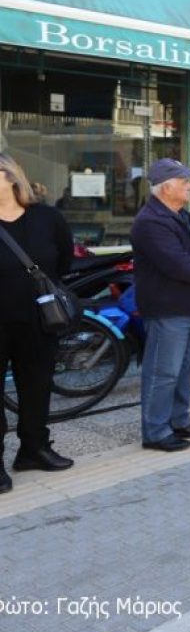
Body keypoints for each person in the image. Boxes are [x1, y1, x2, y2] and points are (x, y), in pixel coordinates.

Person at [131, 159, 190, 452]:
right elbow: (176, 263)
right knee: (163, 372)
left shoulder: (183, 216)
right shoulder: (150, 222)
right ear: (166, 187)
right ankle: (156, 432)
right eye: (184, 181)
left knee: (183, 369)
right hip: (168, 307)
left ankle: (179, 421)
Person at [0, 153, 75, 491]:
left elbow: (64, 261)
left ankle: (33, 449)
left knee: (37, 387)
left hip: (40, 319)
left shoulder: (48, 217)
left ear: (10, 177)